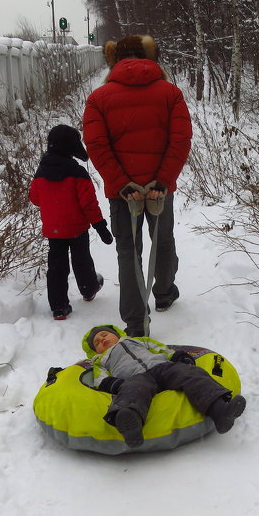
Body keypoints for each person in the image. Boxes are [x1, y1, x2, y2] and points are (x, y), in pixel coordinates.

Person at [82, 35, 192, 336]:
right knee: (164, 241)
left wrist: (121, 183)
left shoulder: (99, 99)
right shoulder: (170, 93)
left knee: (129, 252)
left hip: (123, 194)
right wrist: (163, 180)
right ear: (149, 56)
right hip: (159, 190)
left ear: (113, 59)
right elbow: (180, 140)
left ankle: (135, 322)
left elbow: (96, 144)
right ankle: (165, 293)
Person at [83, 324, 247, 448]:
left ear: (116, 334)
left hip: (162, 367)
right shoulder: (100, 361)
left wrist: (177, 356)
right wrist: (112, 383)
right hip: (135, 377)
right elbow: (99, 378)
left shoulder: (138, 341)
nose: (102, 340)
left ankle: (220, 411)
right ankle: (130, 424)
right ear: (95, 351)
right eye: (97, 342)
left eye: (104, 335)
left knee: (190, 374)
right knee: (131, 391)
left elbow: (159, 348)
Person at [29, 124, 114, 320]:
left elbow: (34, 198)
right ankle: (88, 289)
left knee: (57, 267)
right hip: (77, 228)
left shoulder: (41, 173)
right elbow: (89, 205)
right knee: (82, 260)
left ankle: (59, 307)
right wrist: (101, 227)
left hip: (54, 230)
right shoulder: (78, 174)